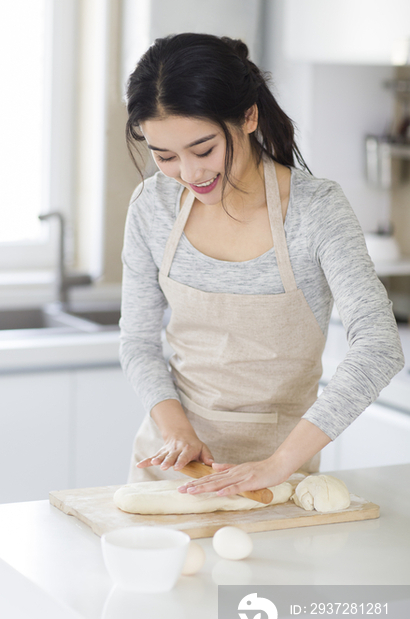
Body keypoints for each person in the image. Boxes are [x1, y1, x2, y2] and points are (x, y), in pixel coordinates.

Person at [119, 33, 404, 498]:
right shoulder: (153, 205)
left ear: (248, 116)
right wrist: (177, 432)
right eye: (164, 156)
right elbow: (137, 341)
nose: (189, 175)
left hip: (278, 480)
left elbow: (378, 347)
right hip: (172, 470)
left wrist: (277, 466)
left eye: (204, 149)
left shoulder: (316, 210)